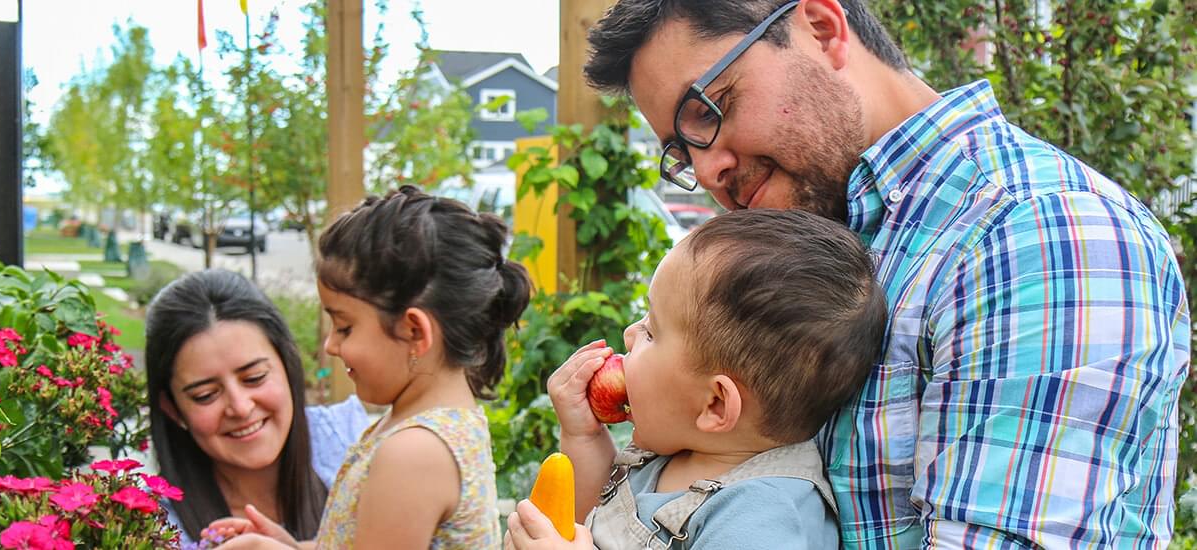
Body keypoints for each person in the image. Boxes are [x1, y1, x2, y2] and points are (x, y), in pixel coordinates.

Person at [583, 0, 1190, 547]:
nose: (709, 168)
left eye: (710, 109)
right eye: (680, 151)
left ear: (821, 29)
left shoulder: (1036, 234)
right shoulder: (816, 247)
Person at [506, 209, 887, 549]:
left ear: (715, 403)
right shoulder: (676, 449)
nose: (629, 334)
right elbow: (591, 514)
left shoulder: (761, 517)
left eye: (652, 331)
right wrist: (583, 436)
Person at [212, 185, 533, 549]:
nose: (331, 346)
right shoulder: (425, 426)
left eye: (345, 327)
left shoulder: (414, 453)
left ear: (415, 331)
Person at [145, 269, 370, 546]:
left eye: (255, 378)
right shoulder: (153, 528)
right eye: (206, 395)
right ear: (171, 407)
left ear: (288, 364)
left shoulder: (354, 444)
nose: (240, 407)